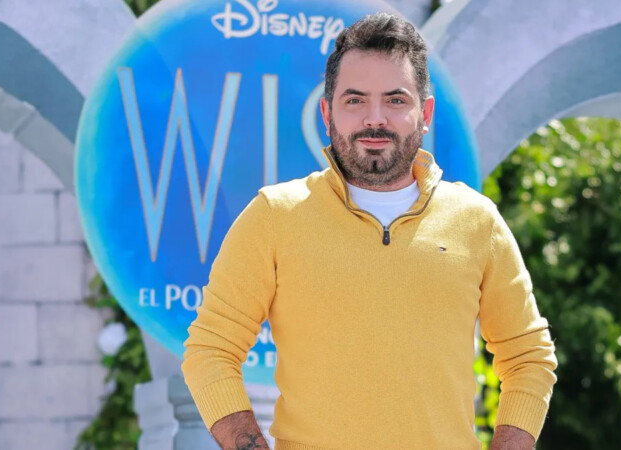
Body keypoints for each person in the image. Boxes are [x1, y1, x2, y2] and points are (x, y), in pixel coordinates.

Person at [182, 12, 557, 450]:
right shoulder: (274, 217)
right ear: (327, 113)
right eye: (355, 100)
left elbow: (528, 358)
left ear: (425, 113)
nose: (374, 119)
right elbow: (210, 349)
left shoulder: (478, 221)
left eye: (395, 100)